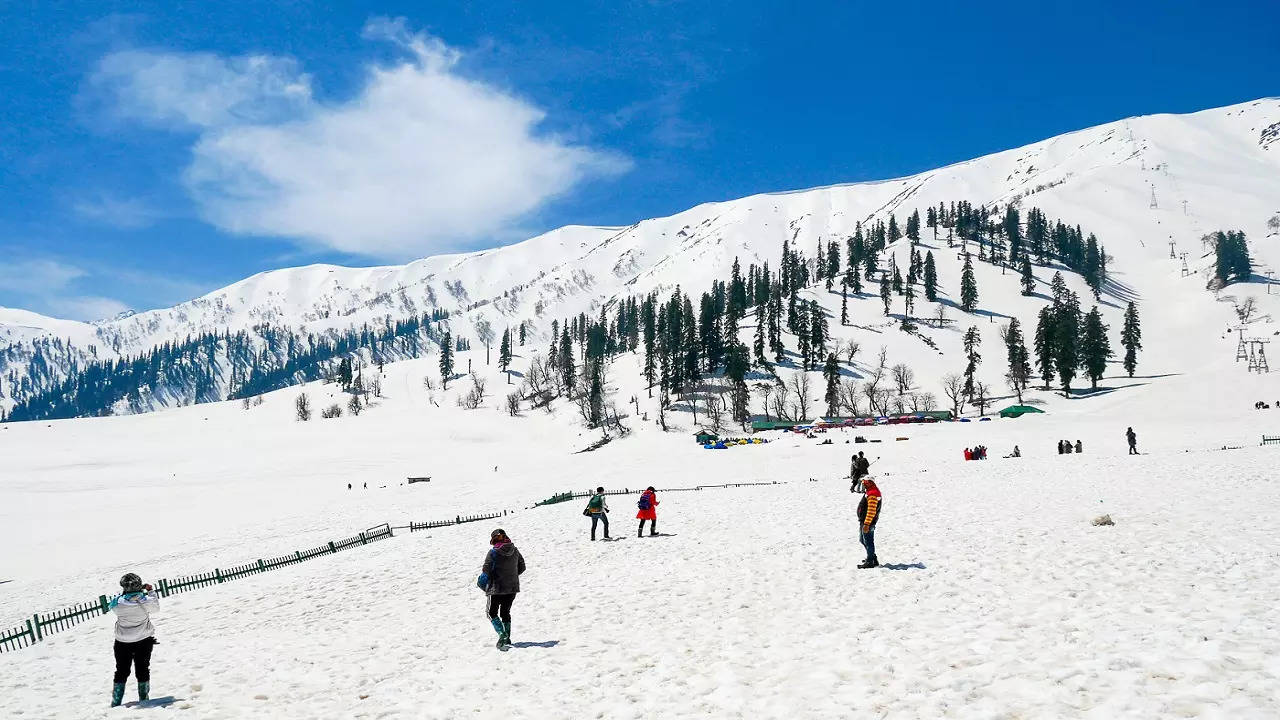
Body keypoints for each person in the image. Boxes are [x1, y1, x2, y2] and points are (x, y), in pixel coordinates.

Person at [109, 573, 160, 707]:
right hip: (143, 640)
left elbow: (112, 605)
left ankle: (116, 702)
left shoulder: (118, 604)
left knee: (121, 670)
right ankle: (144, 698)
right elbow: (155, 607)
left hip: (122, 641)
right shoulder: (146, 601)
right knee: (142, 669)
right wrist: (150, 591)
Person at [481, 528, 525, 650]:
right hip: (512, 588)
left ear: (494, 540)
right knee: (505, 612)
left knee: (491, 613)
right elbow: (522, 567)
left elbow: (486, 570)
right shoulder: (515, 551)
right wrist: (511, 576)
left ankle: (502, 634)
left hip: (496, 588)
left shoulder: (493, 553)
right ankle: (508, 637)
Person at [852, 477, 882, 568]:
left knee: (868, 541)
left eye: (865, 482)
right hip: (865, 522)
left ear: (870, 483)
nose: (864, 484)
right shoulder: (870, 491)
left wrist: (866, 524)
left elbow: (871, 511)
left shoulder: (873, 494)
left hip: (867, 523)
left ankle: (870, 562)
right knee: (862, 540)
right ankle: (872, 558)